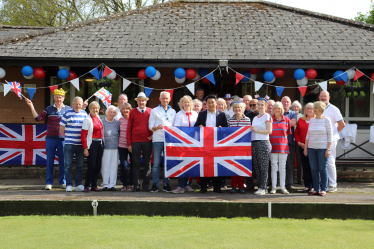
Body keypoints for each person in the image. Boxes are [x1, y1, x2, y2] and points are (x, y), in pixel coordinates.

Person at [25, 89, 87, 190]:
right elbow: (38, 118)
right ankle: (49, 182)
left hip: (63, 139)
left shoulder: (68, 109)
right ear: (54, 98)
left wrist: (83, 107)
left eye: (60, 97)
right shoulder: (49, 109)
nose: (59, 99)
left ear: (64, 98)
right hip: (50, 138)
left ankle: (63, 182)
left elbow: (77, 112)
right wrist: (31, 106)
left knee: (64, 162)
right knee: (50, 161)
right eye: (57, 97)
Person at [194, 95, 228, 193]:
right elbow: (195, 126)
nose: (211, 104)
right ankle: (203, 187)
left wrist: (222, 128)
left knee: (217, 164)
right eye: (209, 103)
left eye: (213, 102)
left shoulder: (221, 115)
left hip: (217, 144)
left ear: (216, 103)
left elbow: (226, 129)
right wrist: (199, 126)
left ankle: (217, 187)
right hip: (204, 143)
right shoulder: (202, 114)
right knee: (204, 164)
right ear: (206, 104)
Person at [149, 91, 176, 193]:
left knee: (167, 163)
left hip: (168, 141)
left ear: (169, 99)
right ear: (159, 99)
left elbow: (175, 127)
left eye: (167, 98)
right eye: (163, 98)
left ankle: (166, 184)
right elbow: (150, 126)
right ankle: (155, 184)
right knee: (156, 163)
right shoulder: (154, 111)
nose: (165, 100)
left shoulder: (173, 111)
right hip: (157, 139)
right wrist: (156, 127)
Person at [304, 101, 333, 197]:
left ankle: (323, 189)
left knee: (322, 169)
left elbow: (330, 136)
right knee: (313, 169)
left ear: (320, 109)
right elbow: (308, 134)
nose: (313, 110)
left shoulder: (326, 120)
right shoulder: (312, 120)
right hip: (311, 148)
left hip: (322, 148)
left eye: (315, 108)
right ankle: (316, 189)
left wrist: (328, 149)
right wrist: (305, 148)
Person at [319, 90, 345, 193]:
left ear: (329, 97)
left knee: (330, 161)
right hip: (319, 140)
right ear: (319, 97)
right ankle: (322, 184)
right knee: (320, 162)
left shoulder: (334, 109)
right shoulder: (317, 108)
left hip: (331, 140)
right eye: (321, 96)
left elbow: (342, 124)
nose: (323, 98)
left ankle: (333, 184)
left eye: (325, 96)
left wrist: (333, 134)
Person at [59, 96, 87, 192]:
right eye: (76, 104)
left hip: (80, 144)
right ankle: (69, 185)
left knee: (80, 165)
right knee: (68, 165)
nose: (78, 106)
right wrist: (66, 136)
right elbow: (61, 126)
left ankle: (78, 184)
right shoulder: (67, 113)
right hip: (69, 143)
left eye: (80, 104)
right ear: (73, 104)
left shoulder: (85, 114)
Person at [172, 95, 198, 194]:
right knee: (181, 163)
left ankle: (187, 184)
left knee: (189, 163)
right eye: (184, 102)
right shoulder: (178, 114)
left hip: (193, 143)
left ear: (191, 103)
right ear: (181, 104)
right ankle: (180, 186)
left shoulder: (195, 114)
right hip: (182, 143)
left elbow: (198, 127)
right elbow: (176, 129)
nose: (186, 104)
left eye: (188, 102)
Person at [127, 92, 153, 192]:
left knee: (147, 164)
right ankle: (136, 185)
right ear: (137, 101)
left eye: (143, 100)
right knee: (135, 164)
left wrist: (153, 135)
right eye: (139, 100)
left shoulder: (150, 111)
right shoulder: (133, 112)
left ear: (146, 101)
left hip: (147, 141)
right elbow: (129, 128)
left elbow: (153, 124)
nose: (141, 102)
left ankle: (146, 185)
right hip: (135, 141)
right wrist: (129, 144)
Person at [227, 102, 251, 194]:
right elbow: (228, 133)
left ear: (243, 109)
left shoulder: (247, 120)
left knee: (241, 166)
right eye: (235, 107)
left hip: (243, 147)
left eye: (239, 107)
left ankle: (241, 186)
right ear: (233, 109)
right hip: (232, 147)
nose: (237, 109)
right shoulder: (229, 120)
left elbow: (248, 134)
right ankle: (233, 185)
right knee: (233, 166)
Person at [250, 98, 272, 195]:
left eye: (262, 104)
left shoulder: (267, 116)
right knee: (257, 166)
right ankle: (260, 186)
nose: (259, 106)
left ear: (265, 106)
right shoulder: (255, 118)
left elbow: (269, 131)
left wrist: (257, 131)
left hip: (263, 142)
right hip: (254, 142)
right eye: (258, 104)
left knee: (263, 167)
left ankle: (263, 188)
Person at [81, 101, 104, 192]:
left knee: (98, 166)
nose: (95, 110)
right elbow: (83, 135)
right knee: (91, 166)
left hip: (100, 143)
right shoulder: (87, 120)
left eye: (97, 108)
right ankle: (87, 185)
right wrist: (85, 148)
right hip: (92, 144)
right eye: (93, 108)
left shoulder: (98, 118)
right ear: (89, 109)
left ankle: (94, 185)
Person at [269, 102, 291, 194]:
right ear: (273, 110)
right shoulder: (269, 119)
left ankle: (282, 187)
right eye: (275, 108)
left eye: (279, 108)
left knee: (282, 168)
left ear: (282, 109)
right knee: (274, 168)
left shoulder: (286, 119)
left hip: (283, 148)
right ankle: (274, 187)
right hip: (272, 147)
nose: (277, 110)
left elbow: (288, 133)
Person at [295, 102, 315, 193]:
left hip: (313, 147)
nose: (308, 110)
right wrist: (299, 143)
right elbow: (296, 133)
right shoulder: (300, 120)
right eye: (307, 108)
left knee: (313, 167)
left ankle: (314, 186)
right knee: (305, 166)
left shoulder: (316, 120)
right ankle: (307, 185)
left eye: (310, 108)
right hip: (302, 147)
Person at [101, 105, 120, 191]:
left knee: (113, 166)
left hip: (115, 147)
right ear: (107, 112)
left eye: (113, 112)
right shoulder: (102, 121)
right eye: (110, 112)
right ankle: (105, 184)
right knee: (105, 166)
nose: (112, 114)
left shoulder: (117, 122)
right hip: (105, 147)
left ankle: (112, 185)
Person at [281, 96, 297, 190]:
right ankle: (278, 183)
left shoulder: (293, 113)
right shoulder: (277, 112)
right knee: (278, 164)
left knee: (289, 164)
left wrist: (280, 122)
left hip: (289, 141)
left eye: (287, 102)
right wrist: (287, 122)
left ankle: (289, 183)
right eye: (284, 102)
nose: (285, 103)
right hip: (278, 142)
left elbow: (293, 124)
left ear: (290, 104)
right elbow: (289, 123)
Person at [118, 102, 133, 191]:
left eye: (127, 109)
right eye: (123, 109)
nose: (125, 110)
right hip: (122, 145)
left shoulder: (133, 119)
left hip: (132, 145)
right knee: (123, 165)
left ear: (130, 110)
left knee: (133, 164)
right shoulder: (119, 120)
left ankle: (130, 184)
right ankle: (124, 184)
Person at [291, 100, 303, 185]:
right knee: (290, 160)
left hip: (299, 140)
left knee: (300, 160)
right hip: (291, 139)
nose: (296, 108)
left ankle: (300, 179)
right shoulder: (290, 115)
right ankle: (290, 179)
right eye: (294, 107)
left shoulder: (302, 117)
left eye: (297, 107)